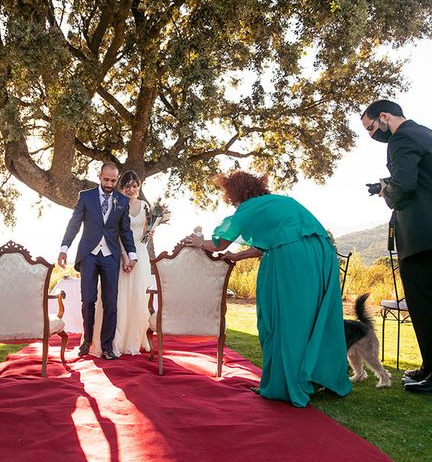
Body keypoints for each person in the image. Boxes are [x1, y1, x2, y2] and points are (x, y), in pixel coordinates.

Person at [184, 171, 351, 407]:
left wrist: (199, 242)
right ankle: (317, 377)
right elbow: (271, 243)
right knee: (313, 318)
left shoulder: (248, 209)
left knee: (285, 320)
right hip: (322, 254)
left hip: (293, 258)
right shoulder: (280, 202)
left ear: (236, 194)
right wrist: (238, 256)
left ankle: (284, 384)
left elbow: (219, 243)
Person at [361, 100, 432, 393]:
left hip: (421, 237)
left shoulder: (401, 138)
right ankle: (429, 366)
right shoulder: (424, 133)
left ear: (385, 116)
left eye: (372, 128)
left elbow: (403, 186)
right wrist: (383, 186)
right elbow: (421, 178)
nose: (372, 135)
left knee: (425, 304)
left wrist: (387, 193)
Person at [58, 162, 137, 360]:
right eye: (106, 179)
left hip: (111, 256)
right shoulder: (86, 197)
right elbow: (74, 224)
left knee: (111, 302)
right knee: (89, 300)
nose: (110, 183)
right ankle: (87, 341)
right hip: (89, 255)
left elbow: (125, 230)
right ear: (99, 176)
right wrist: (64, 248)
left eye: (113, 180)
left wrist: (132, 255)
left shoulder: (122, 200)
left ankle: (107, 346)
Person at [91, 171, 151, 356]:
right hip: (118, 253)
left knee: (137, 297)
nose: (130, 189)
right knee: (116, 298)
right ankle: (112, 341)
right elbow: (114, 234)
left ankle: (133, 339)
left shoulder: (145, 206)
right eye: (127, 186)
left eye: (134, 186)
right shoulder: (115, 205)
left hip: (140, 255)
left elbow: (145, 233)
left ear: (139, 187)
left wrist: (149, 234)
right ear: (121, 187)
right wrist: (126, 257)